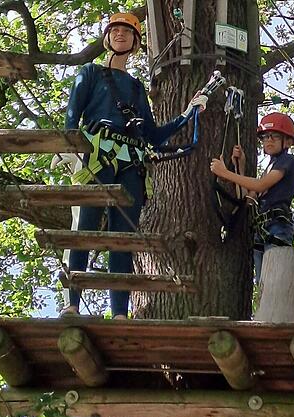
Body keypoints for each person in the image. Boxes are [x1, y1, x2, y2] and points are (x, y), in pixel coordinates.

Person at [58, 12, 207, 318]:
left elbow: (151, 136)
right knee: (86, 228)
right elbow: (72, 117)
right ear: (107, 37)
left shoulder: (137, 88)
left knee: (123, 239)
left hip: (132, 162)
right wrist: (69, 148)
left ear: (136, 42)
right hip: (98, 155)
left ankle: (119, 313)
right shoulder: (90, 73)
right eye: (115, 30)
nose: (120, 34)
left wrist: (187, 114)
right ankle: (72, 304)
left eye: (127, 31)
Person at [210, 113, 294, 282]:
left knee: (274, 282)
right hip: (262, 231)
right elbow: (247, 199)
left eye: (275, 136)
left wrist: (224, 173)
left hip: (277, 227)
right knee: (263, 283)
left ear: (288, 142)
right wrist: (240, 167)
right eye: (265, 136)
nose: (269, 140)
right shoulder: (269, 168)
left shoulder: (288, 161)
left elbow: (260, 185)